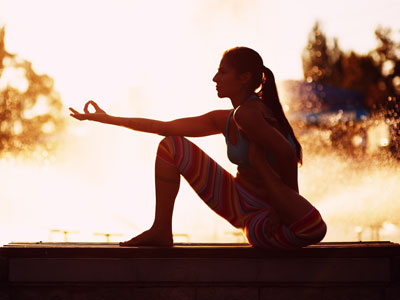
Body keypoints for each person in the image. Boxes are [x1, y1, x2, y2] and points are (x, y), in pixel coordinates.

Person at [70, 46, 327, 249]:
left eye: (222, 72)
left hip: (265, 215)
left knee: (314, 228)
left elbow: (286, 154)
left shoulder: (248, 114)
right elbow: (165, 127)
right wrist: (106, 118)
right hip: (238, 201)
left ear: (244, 78)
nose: (215, 78)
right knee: (171, 146)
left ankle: (163, 230)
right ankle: (161, 229)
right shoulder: (229, 117)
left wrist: (284, 210)